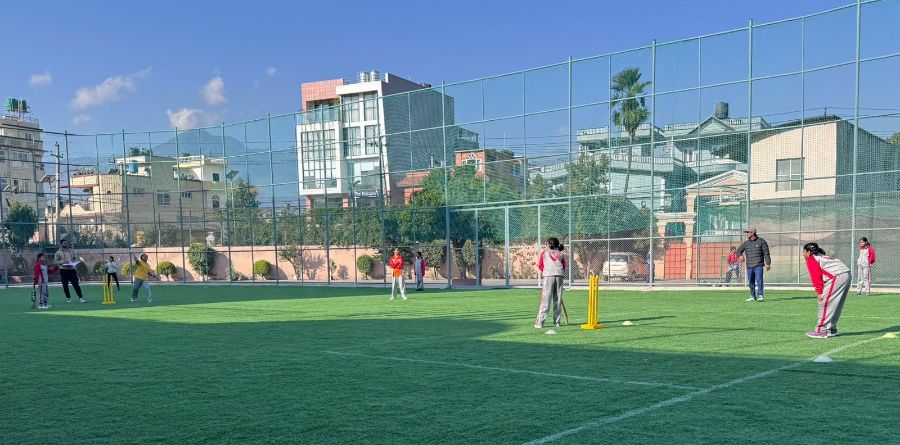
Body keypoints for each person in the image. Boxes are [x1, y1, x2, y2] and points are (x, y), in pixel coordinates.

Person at [803, 242, 850, 339]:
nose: (803, 254)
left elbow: (816, 277)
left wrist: (819, 292)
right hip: (846, 273)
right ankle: (830, 329)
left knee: (824, 302)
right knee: (836, 303)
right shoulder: (820, 256)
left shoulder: (811, 259)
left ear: (809, 252)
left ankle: (821, 330)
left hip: (837, 276)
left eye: (804, 252)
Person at [535, 237, 566, 329]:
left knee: (546, 299)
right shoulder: (560, 254)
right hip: (559, 276)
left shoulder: (544, 253)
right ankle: (557, 322)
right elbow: (564, 266)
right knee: (558, 299)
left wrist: (547, 271)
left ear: (548, 244)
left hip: (548, 276)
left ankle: (540, 322)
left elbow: (540, 266)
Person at [736, 228, 771, 302]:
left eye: (748, 232)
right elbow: (738, 251)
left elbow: (766, 253)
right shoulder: (746, 243)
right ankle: (752, 296)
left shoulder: (762, 241)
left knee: (759, 280)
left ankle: (760, 296)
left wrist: (768, 263)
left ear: (753, 233)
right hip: (749, 266)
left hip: (759, 265)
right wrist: (740, 256)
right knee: (751, 282)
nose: (747, 234)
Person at [53, 238, 86, 303]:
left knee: (76, 284)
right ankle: (68, 298)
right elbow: (55, 262)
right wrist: (63, 261)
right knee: (65, 285)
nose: (66, 244)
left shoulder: (71, 251)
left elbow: (75, 258)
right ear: (61, 244)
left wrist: (76, 261)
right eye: (64, 243)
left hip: (72, 270)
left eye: (66, 243)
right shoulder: (58, 252)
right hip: (64, 270)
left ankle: (81, 298)